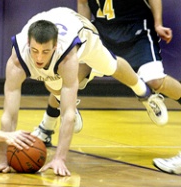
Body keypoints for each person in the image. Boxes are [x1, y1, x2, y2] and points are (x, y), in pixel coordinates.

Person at [0, 7, 166, 176]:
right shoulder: (17, 60)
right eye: (35, 50)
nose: (39, 57)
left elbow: (67, 115)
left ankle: (145, 94)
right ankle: (63, 97)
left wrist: (59, 158)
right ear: (28, 43)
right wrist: (3, 160)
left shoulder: (67, 55)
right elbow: (9, 115)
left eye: (45, 52)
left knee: (111, 66)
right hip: (48, 19)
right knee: (53, 83)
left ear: (55, 47)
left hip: (80, 29)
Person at [77, 0, 181, 175]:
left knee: (154, 80)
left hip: (136, 31)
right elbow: (83, 3)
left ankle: (145, 93)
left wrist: (158, 23)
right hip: (102, 32)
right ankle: (46, 127)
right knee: (71, 72)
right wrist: (81, 34)